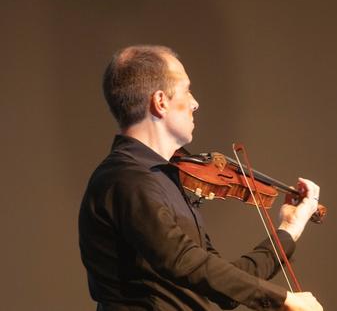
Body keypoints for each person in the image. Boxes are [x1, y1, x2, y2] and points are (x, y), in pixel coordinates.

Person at [79, 45, 324, 311]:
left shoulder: (165, 179)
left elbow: (224, 284)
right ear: (160, 102)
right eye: (186, 90)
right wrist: (283, 300)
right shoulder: (126, 179)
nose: (195, 103)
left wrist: (290, 228)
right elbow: (185, 261)